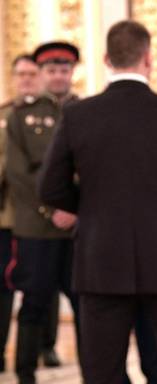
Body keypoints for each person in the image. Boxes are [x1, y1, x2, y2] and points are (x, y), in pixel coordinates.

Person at [38, 20, 157, 384]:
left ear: (107, 59)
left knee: (102, 372)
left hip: (100, 260)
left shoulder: (78, 115)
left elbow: (49, 188)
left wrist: (90, 207)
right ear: (149, 58)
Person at [5, 41, 81, 384]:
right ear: (42, 74)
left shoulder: (87, 110)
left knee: (85, 304)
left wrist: (76, 209)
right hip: (37, 227)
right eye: (51, 70)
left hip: (79, 228)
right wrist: (52, 210)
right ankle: (23, 374)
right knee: (35, 303)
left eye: (64, 70)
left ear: (72, 72)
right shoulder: (22, 115)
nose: (58, 76)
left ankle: (95, 373)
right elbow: (20, 174)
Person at [0, 54, 40, 372]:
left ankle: (47, 346)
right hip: (7, 216)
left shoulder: (47, 115)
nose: (26, 79)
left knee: (39, 289)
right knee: (4, 286)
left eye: (31, 73)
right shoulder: (4, 116)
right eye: (21, 74)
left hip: (38, 219)